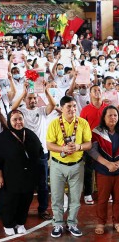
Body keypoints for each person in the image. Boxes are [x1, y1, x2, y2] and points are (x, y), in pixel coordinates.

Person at [0, 110, 43, 236]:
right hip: (10, 177)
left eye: (20, 119)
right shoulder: (3, 137)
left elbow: (39, 151)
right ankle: (8, 224)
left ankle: (20, 222)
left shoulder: (30, 134)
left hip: (28, 177)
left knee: (25, 201)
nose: (18, 122)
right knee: (10, 202)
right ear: (9, 121)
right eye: (15, 119)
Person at [46, 96, 92, 238]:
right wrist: (63, 149)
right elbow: (49, 145)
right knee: (57, 196)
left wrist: (78, 146)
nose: (72, 109)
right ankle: (58, 223)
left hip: (77, 166)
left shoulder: (83, 123)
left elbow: (88, 144)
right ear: (62, 108)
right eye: (68, 107)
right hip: (57, 165)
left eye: (73, 106)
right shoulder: (54, 124)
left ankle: (72, 223)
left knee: (75, 197)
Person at [11, 82, 57, 220]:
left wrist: (46, 91)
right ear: (25, 100)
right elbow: (12, 109)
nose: (32, 100)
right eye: (29, 98)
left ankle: (42, 209)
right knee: (25, 183)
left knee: (43, 184)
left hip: (41, 153)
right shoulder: (21, 112)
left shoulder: (42, 110)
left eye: (34, 98)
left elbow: (53, 105)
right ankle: (22, 209)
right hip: (24, 153)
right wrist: (24, 93)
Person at [89, 106, 119, 235]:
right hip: (103, 170)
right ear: (104, 117)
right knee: (102, 199)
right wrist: (107, 164)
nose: (113, 118)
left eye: (115, 115)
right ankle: (101, 222)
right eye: (110, 115)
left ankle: (117, 222)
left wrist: (117, 163)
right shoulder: (97, 131)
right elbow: (92, 150)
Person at [80, 85, 108, 205]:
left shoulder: (108, 108)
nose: (97, 92)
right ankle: (87, 193)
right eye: (94, 91)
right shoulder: (85, 109)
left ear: (102, 93)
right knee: (89, 170)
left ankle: (107, 192)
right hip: (90, 144)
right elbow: (80, 127)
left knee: (106, 169)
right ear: (90, 94)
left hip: (106, 143)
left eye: (99, 90)